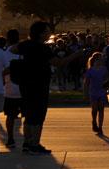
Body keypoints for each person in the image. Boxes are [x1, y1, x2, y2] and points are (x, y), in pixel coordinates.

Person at [15, 21, 84, 154]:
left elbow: (13, 49)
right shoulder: (43, 48)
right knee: (38, 116)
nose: (49, 34)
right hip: (39, 84)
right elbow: (59, 63)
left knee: (28, 114)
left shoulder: (26, 45)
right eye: (47, 31)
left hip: (25, 83)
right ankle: (35, 144)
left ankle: (27, 142)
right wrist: (76, 55)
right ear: (41, 34)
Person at [2, 29, 23, 149]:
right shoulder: (24, 52)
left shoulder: (5, 53)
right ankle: (28, 141)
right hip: (24, 88)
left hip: (10, 88)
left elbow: (3, 71)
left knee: (10, 116)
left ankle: (10, 138)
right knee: (28, 116)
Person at [83, 52, 109, 136]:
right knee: (94, 110)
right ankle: (94, 121)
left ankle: (100, 127)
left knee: (101, 109)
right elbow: (86, 83)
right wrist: (85, 93)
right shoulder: (90, 70)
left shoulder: (104, 69)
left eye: (101, 59)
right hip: (93, 91)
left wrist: (108, 86)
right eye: (99, 59)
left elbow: (107, 80)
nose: (101, 60)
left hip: (102, 91)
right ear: (95, 60)